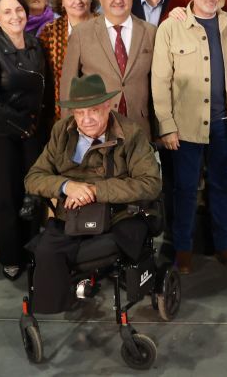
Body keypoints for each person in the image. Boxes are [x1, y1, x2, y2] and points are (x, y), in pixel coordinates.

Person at [23, 74, 162, 314]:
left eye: (94, 111)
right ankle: (55, 307)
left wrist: (96, 191)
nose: (86, 119)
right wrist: (67, 186)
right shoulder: (61, 131)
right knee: (46, 251)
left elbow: (150, 183)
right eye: (79, 113)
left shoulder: (131, 133)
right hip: (71, 215)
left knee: (122, 239)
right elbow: (33, 178)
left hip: (117, 214)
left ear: (107, 106)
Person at [152, 0, 227, 274]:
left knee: (223, 186)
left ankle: (225, 246)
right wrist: (166, 124)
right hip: (185, 126)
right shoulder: (171, 27)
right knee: (185, 189)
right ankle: (183, 249)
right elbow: (160, 80)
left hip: (225, 123)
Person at [0, 0, 53, 280]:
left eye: (18, 9)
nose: (15, 16)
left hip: (30, 129)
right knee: (7, 196)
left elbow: (44, 89)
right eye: (6, 12)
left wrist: (40, 126)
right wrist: (23, 123)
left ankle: (31, 250)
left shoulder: (35, 44)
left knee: (32, 193)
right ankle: (11, 256)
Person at [60, 0, 156, 134]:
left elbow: (158, 84)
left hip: (140, 127)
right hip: (96, 128)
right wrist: (69, 130)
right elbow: (68, 85)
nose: (118, 0)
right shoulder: (81, 34)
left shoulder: (150, 32)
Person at [39, 0, 99, 120]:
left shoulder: (107, 26)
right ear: (62, 1)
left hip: (103, 109)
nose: (77, 0)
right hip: (64, 113)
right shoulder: (50, 32)